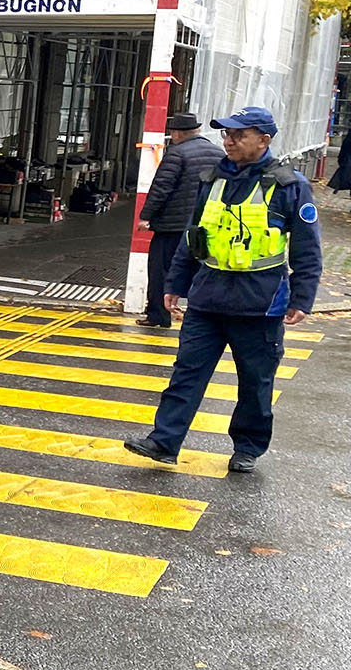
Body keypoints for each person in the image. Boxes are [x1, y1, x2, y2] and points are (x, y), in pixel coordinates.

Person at [124, 107, 322, 473]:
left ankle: (247, 448)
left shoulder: (289, 186)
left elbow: (307, 249)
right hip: (208, 300)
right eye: (226, 134)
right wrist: (175, 284)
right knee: (185, 374)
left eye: (238, 135)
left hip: (260, 306)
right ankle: (164, 442)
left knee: (255, 385)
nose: (228, 141)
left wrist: (302, 298)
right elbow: (193, 235)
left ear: (264, 139)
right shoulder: (212, 179)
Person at [135, 112, 222, 327]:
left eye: (172, 132)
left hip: (172, 226)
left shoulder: (177, 154)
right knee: (201, 270)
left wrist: (146, 216)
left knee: (160, 270)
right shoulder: (219, 153)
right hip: (205, 225)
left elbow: (161, 188)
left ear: (178, 133)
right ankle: (199, 317)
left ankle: (158, 315)